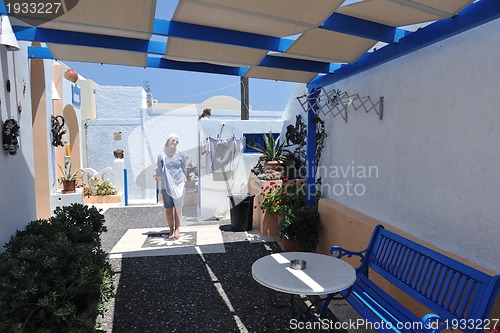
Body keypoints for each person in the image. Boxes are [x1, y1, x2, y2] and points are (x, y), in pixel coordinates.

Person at [154, 134, 187, 238]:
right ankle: (171, 230)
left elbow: (184, 170)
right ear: (168, 141)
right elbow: (159, 171)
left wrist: (182, 182)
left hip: (179, 185)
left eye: (176, 141)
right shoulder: (161, 156)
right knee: (168, 208)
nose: (175, 143)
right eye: (173, 140)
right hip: (166, 186)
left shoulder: (181, 155)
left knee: (178, 208)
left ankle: (177, 230)